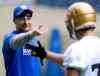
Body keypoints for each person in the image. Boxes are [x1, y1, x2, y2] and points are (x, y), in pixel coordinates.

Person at [30, 2, 100, 76]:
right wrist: (43, 53)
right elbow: (73, 59)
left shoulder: (76, 49)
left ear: (73, 23)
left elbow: (75, 58)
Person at [2, 5, 44, 76]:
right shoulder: (8, 38)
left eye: (28, 18)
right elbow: (15, 41)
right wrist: (31, 34)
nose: (26, 22)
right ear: (14, 20)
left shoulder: (34, 40)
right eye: (22, 18)